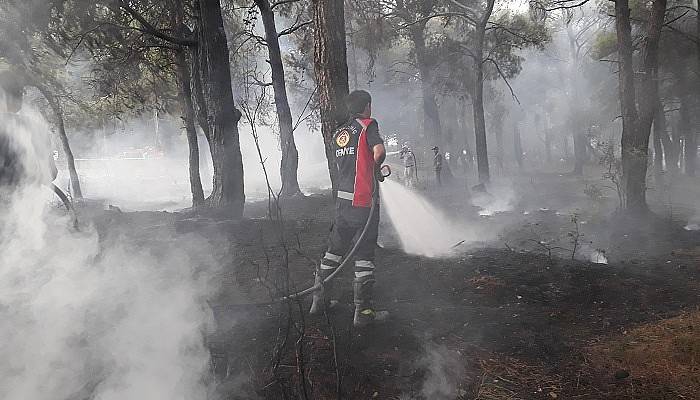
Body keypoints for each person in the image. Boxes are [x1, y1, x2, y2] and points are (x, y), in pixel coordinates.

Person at [310, 90, 389, 327]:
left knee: (334, 250)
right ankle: (363, 314)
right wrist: (375, 171)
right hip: (363, 202)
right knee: (364, 254)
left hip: (342, 202)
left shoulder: (339, 133)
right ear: (367, 106)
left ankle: (319, 301)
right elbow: (379, 152)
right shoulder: (368, 126)